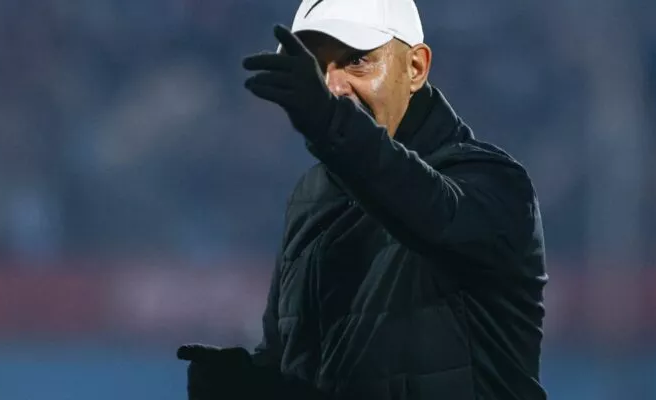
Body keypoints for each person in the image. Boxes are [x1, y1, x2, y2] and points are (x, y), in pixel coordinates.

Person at [177, 0, 548, 399]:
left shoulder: (497, 184)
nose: (334, 87)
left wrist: (332, 124)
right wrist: (252, 387)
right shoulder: (308, 199)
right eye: (317, 68)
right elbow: (299, 366)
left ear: (416, 68)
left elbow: (429, 210)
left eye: (356, 61)